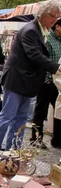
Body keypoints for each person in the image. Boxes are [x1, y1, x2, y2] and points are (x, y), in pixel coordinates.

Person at [0, 0, 61, 158]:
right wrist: (55, 67)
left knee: (21, 118)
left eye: (57, 17)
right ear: (43, 14)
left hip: (27, 81)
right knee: (8, 115)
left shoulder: (40, 30)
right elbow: (33, 54)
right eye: (53, 16)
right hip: (17, 79)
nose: (55, 20)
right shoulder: (31, 30)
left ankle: (13, 148)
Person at [32, 17, 61, 148]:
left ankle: (57, 140)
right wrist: (47, 79)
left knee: (58, 112)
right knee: (41, 111)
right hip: (47, 80)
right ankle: (36, 139)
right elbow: (43, 59)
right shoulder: (47, 39)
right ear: (58, 27)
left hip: (58, 81)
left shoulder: (59, 41)